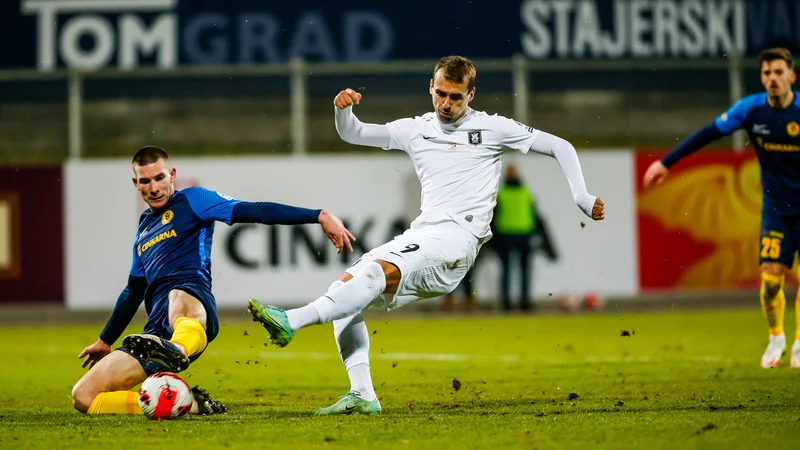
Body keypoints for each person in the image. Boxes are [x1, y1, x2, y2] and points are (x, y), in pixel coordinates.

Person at [248, 55, 605, 415]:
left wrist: (581, 195)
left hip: (458, 241)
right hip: (424, 233)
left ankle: (292, 320)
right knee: (344, 292)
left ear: (471, 95)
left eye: (456, 97)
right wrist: (342, 110)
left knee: (371, 274)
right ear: (430, 88)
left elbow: (561, 146)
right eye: (441, 94)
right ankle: (362, 395)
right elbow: (353, 132)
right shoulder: (415, 129)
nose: (446, 104)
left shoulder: (492, 128)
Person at [71, 146, 355, 415]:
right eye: (146, 181)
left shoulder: (194, 200)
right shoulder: (144, 230)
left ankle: (176, 349)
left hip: (192, 302)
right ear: (136, 183)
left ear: (172, 175)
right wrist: (104, 340)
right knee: (83, 396)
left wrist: (317, 215)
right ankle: (187, 404)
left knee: (175, 295)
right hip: (152, 335)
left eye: (159, 177)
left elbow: (255, 210)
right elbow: (133, 291)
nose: (154, 187)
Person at [642, 48, 800, 369]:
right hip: (775, 208)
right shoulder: (751, 110)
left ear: (791, 77)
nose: (773, 78)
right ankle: (776, 337)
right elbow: (708, 133)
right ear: (762, 77)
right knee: (771, 278)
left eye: (779, 72)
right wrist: (666, 162)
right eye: (767, 73)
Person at [492, 163, 557, 312]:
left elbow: (534, 216)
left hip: (520, 235)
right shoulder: (514, 192)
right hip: (508, 235)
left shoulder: (516, 192)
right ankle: (509, 302)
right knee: (511, 270)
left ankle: (522, 301)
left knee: (520, 270)